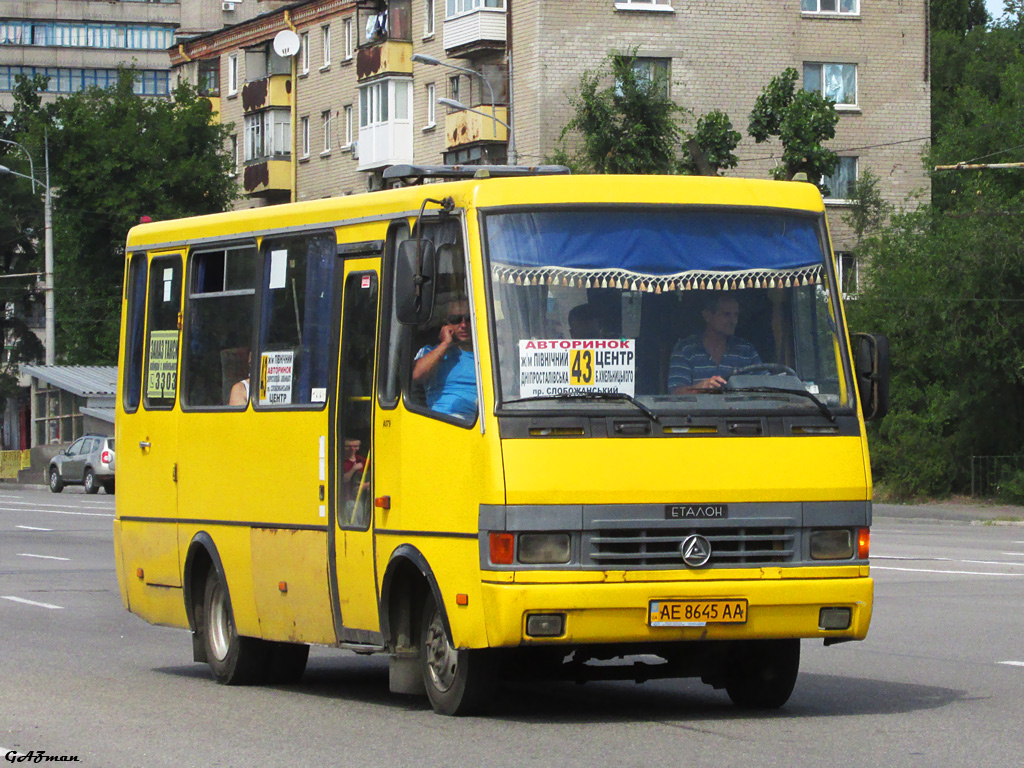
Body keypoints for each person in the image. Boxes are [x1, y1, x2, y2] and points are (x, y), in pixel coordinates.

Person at [668, 293, 761, 393]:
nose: (733, 321)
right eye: (726, 314)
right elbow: (675, 392)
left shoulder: (746, 350)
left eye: (736, 315)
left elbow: (766, 384)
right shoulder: (686, 349)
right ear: (707, 316)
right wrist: (702, 387)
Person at [412, 299, 478, 420]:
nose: (463, 325)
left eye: (468, 318)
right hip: (445, 421)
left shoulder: (486, 356)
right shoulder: (430, 352)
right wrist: (445, 344)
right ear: (446, 324)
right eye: (456, 319)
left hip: (483, 422)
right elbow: (417, 375)